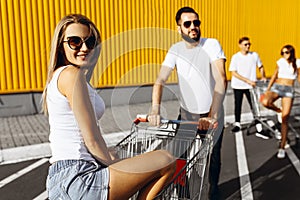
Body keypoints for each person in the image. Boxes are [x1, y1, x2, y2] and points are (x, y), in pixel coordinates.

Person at [42, 14, 176, 200]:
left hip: (68, 177)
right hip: (78, 178)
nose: (84, 48)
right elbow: (91, 140)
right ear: (60, 45)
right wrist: (116, 163)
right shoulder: (71, 75)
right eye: (75, 42)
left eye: (90, 41)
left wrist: (110, 157)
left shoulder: (65, 77)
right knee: (166, 160)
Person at [148, 7, 227, 200]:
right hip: (188, 114)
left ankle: (214, 190)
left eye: (196, 23)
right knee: (179, 158)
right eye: (187, 24)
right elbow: (160, 80)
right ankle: (184, 194)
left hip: (212, 112)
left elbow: (221, 78)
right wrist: (155, 109)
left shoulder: (211, 45)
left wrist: (212, 114)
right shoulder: (175, 50)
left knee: (213, 156)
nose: (193, 27)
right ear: (179, 28)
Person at [261, 45, 300, 159]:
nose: (284, 54)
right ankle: (278, 110)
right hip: (277, 87)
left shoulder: (297, 62)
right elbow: (274, 75)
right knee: (265, 101)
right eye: (282, 52)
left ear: (291, 52)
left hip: (289, 90)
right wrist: (268, 89)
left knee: (285, 119)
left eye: (286, 52)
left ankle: (282, 147)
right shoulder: (280, 61)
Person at [229, 37, 272, 139]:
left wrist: (263, 76)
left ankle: (259, 128)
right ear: (240, 45)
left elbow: (260, 66)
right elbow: (234, 72)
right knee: (238, 105)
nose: (247, 46)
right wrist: (247, 80)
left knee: (254, 106)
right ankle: (237, 124)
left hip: (251, 87)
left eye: (249, 44)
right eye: (245, 44)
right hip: (238, 86)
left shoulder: (254, 55)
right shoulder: (236, 57)